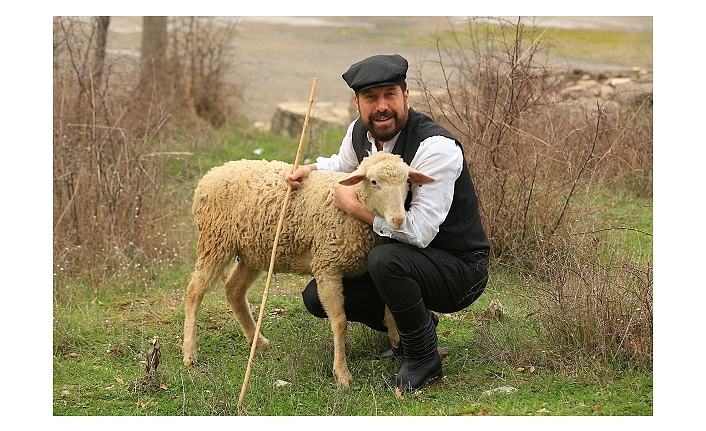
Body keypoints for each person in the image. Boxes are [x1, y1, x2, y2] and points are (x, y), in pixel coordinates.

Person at [283, 54, 490, 392]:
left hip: (458, 267)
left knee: (384, 259)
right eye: (371, 98)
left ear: (406, 96)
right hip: (406, 261)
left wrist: (358, 210)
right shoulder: (359, 133)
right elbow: (342, 166)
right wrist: (309, 170)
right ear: (357, 103)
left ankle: (424, 359)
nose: (381, 106)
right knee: (315, 297)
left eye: (390, 95)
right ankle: (418, 325)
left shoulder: (435, 148)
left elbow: (421, 232)